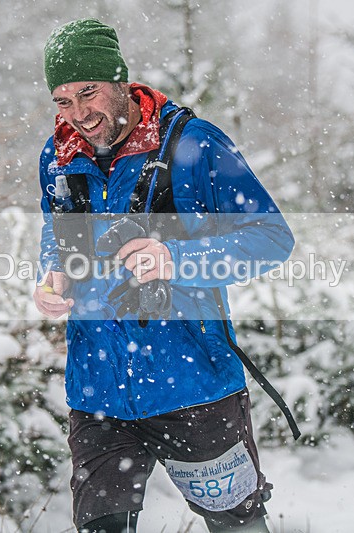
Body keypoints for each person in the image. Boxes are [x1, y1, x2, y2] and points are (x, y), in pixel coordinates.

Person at [33, 19, 295, 533]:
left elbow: (271, 238)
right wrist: (54, 274)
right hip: (98, 393)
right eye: (63, 101)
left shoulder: (193, 146)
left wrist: (176, 259)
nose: (79, 114)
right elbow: (54, 230)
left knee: (237, 527)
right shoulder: (57, 158)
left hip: (192, 386)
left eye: (88, 94)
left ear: (119, 82)